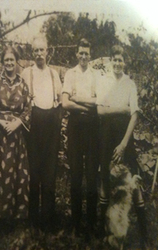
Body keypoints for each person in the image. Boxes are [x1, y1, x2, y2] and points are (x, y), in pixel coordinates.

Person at [96, 45, 148, 248]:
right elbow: (100, 111)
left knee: (133, 184)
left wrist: (124, 144)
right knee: (105, 182)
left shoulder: (130, 84)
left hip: (124, 138)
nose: (117, 63)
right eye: (114, 59)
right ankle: (103, 233)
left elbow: (134, 115)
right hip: (106, 137)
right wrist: (121, 108)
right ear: (111, 61)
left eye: (121, 60)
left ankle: (145, 235)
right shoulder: (104, 81)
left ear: (125, 63)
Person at [0, 46, 31, 235]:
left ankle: (12, 222)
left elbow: (28, 109)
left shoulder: (22, 83)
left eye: (12, 60)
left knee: (16, 176)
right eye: (6, 61)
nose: (9, 64)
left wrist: (17, 123)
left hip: (15, 137)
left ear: (17, 62)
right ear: (2, 62)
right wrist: (0, 121)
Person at [21, 36, 62, 231]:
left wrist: (57, 119)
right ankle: (33, 220)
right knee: (34, 172)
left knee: (49, 172)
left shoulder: (54, 75)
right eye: (35, 50)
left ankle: (48, 219)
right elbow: (20, 102)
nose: (39, 54)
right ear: (32, 52)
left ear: (47, 51)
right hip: (33, 126)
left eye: (42, 50)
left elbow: (60, 102)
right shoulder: (26, 73)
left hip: (51, 125)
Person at [62, 38, 100, 237]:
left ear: (90, 54)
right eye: (80, 53)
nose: (83, 56)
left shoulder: (96, 75)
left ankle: (91, 223)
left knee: (92, 175)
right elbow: (65, 104)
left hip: (93, 129)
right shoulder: (70, 74)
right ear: (76, 54)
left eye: (86, 53)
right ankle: (76, 222)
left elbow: (100, 101)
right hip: (76, 127)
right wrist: (85, 105)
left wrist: (78, 98)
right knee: (76, 175)